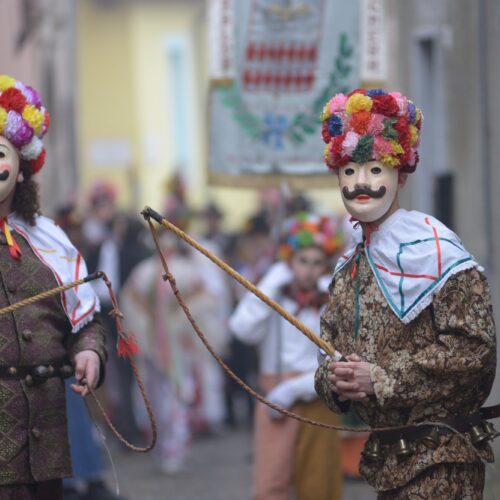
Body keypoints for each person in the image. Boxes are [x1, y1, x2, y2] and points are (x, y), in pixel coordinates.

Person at [315, 88, 497, 498]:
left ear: (402, 174)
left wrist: (383, 377)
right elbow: (327, 353)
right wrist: (337, 380)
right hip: (386, 460)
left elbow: (475, 351)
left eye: (375, 170)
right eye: (349, 171)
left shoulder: (438, 252)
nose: (361, 182)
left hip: (443, 458)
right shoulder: (348, 268)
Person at [0, 75, 107, 499]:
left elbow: (86, 318)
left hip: (47, 443)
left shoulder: (48, 239)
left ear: (22, 167)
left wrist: (89, 350)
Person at [229, 212, 344, 500]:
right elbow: (241, 329)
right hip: (274, 400)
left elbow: (336, 361)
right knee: (271, 484)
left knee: (318, 486)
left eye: (316, 263)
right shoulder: (274, 298)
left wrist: (293, 388)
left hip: (317, 399)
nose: (308, 270)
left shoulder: (330, 302)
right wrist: (268, 286)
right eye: (302, 261)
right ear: (289, 261)